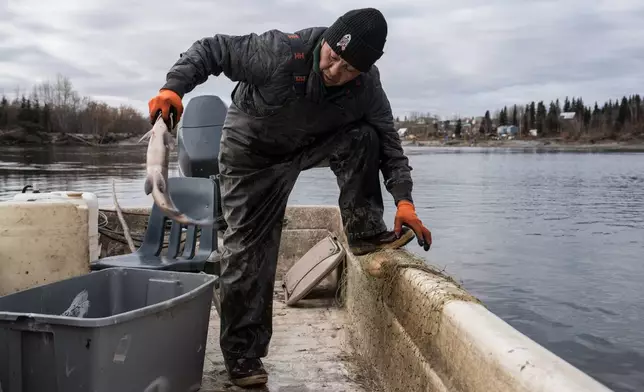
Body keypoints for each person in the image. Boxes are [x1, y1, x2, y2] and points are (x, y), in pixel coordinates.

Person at [148, 7, 433, 388]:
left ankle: (364, 231)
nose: (334, 71)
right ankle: (243, 353)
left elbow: (389, 141)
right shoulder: (279, 52)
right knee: (250, 251)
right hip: (251, 155)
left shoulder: (367, 86)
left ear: (364, 71)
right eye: (333, 56)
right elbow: (212, 49)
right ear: (328, 39)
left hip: (308, 145)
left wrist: (404, 200)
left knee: (365, 137)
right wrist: (174, 87)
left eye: (349, 69)